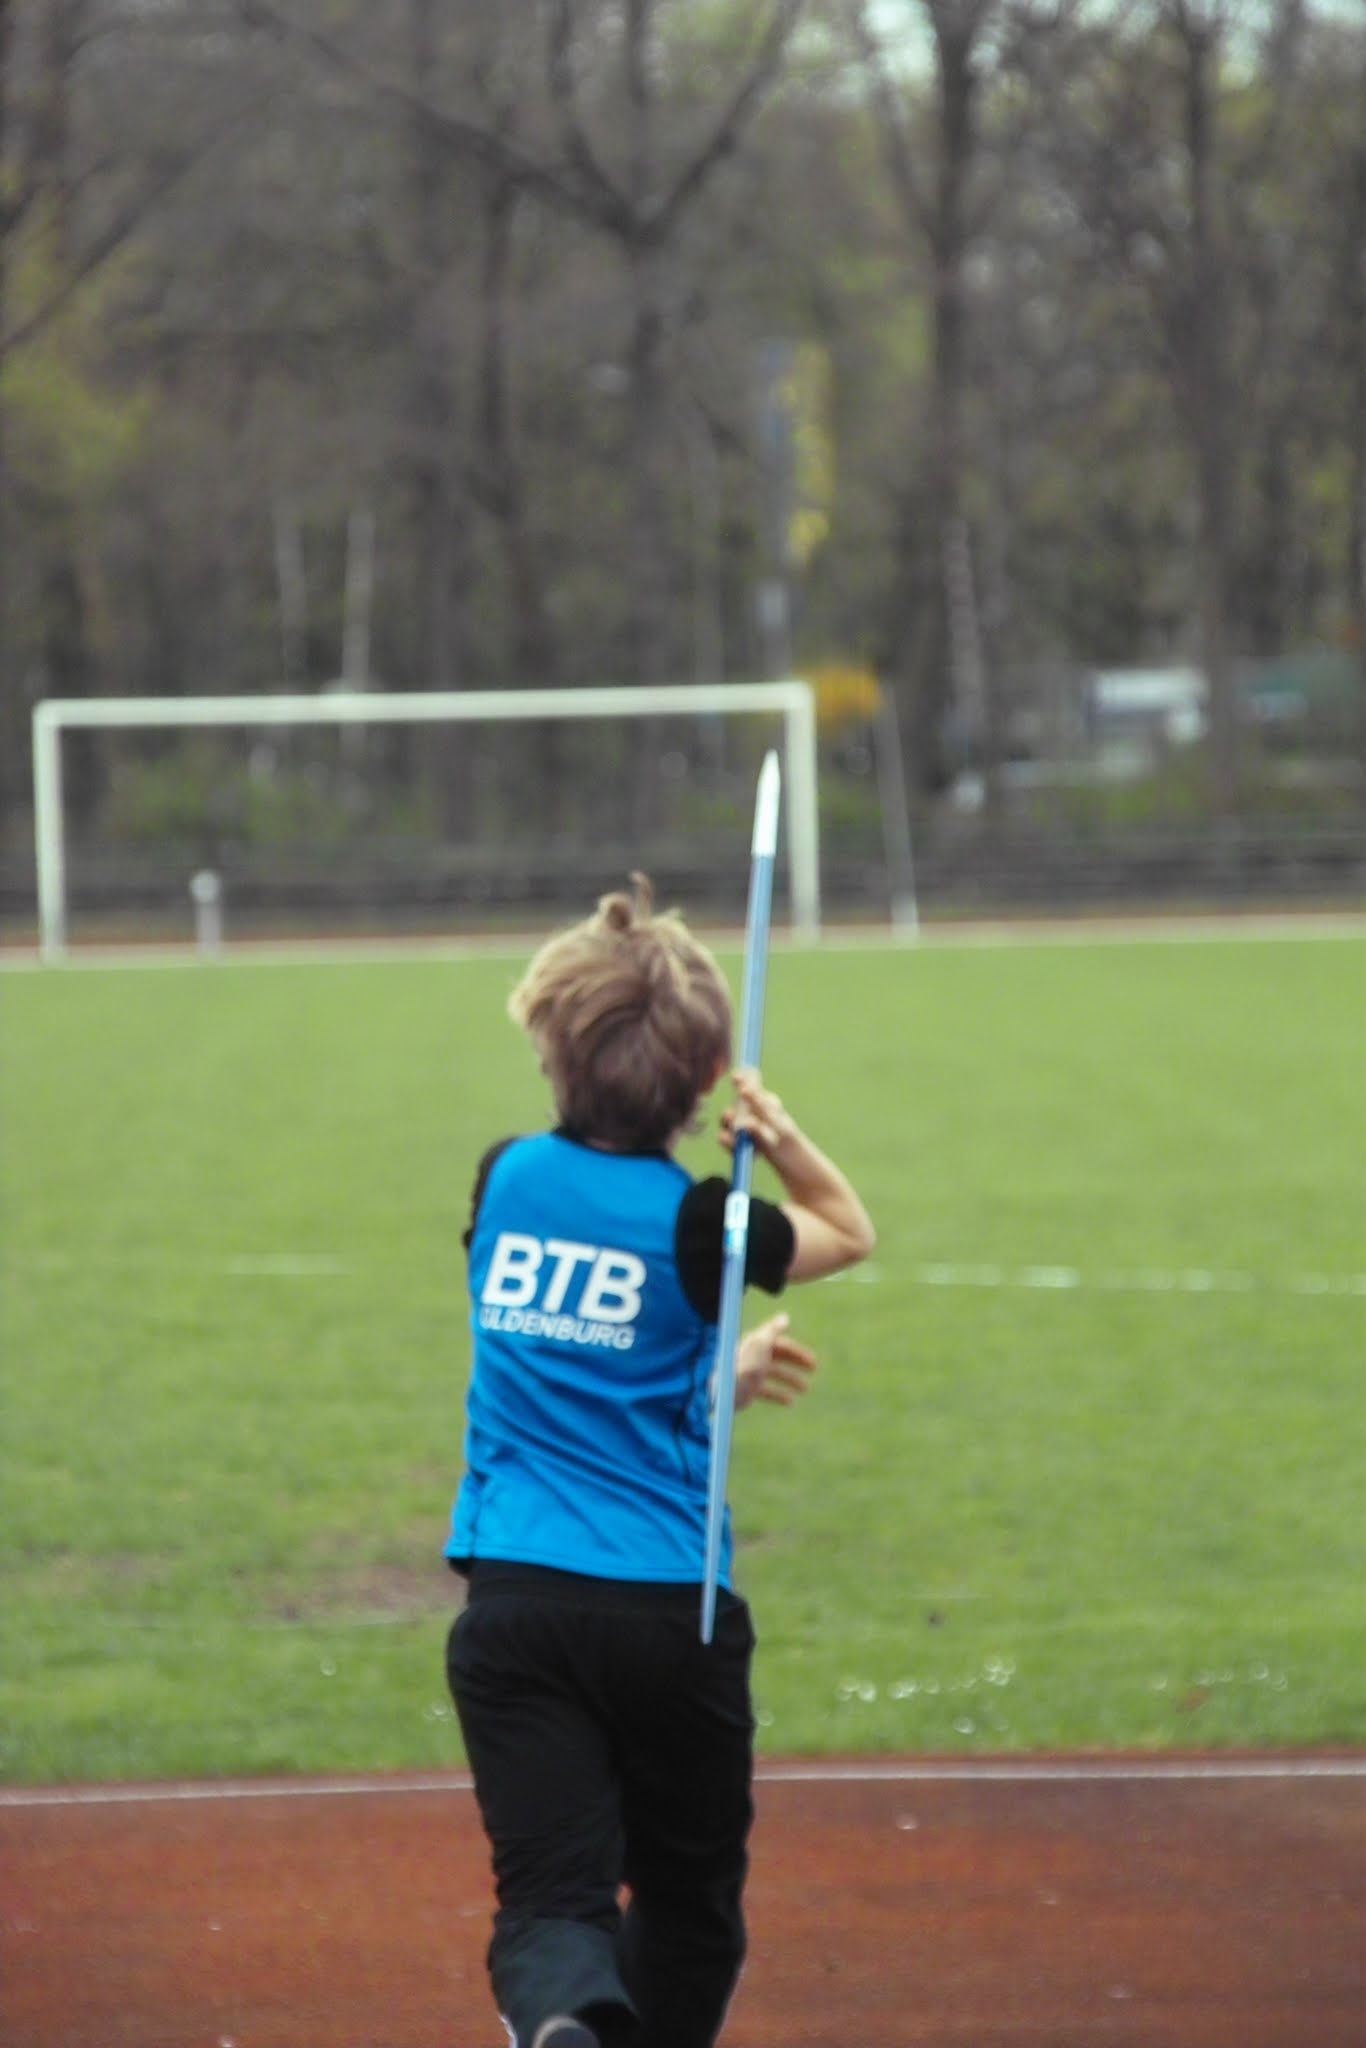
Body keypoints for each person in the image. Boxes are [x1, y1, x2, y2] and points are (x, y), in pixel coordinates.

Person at [444, 874, 875, 2048]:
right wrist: (775, 1136)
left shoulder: (504, 1180)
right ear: (697, 1082)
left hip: (517, 1602)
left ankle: (563, 2021)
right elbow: (848, 1229)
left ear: (552, 1045)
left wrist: (711, 1375)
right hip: (669, 1612)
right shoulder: (704, 1225)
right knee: (688, 1907)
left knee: (551, 1904)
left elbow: (581, 1353)